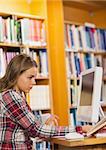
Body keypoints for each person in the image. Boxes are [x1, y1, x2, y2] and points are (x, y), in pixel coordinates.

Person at [0, 54, 91, 150]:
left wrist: (43, 119)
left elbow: (22, 122)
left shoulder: (12, 95)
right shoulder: (11, 96)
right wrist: (79, 129)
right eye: (30, 77)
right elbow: (35, 129)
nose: (34, 82)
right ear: (16, 74)